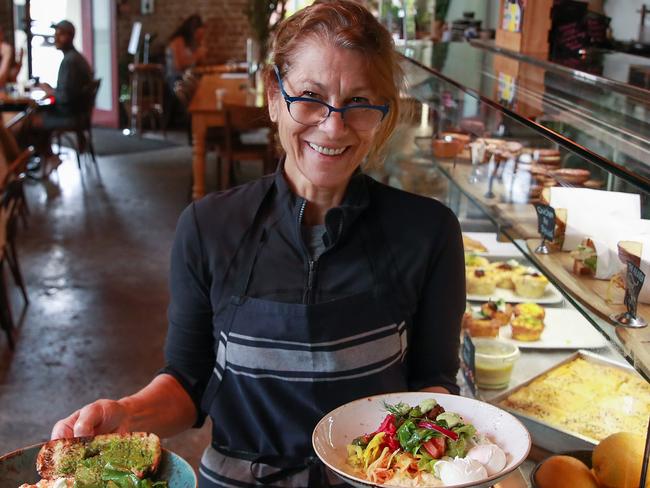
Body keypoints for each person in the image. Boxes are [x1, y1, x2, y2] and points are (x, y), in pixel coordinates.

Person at [51, 2, 465, 487]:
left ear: (383, 114)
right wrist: (127, 414)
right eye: (310, 96)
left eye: (358, 102)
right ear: (274, 96)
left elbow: (433, 386)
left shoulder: (428, 231)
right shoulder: (208, 227)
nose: (333, 126)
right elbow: (189, 383)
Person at [28, 20, 93, 174]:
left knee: (30, 122)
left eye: (60, 35)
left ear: (70, 37)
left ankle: (47, 157)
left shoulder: (69, 62)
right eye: (55, 35)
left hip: (71, 116)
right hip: (78, 114)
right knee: (36, 115)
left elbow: (65, 97)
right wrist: (52, 90)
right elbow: (70, 90)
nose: (55, 39)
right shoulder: (75, 58)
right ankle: (47, 155)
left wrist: (50, 92)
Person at [165, 14, 207, 109]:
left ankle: (198, 114)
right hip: (175, 79)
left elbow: (199, 63)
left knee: (204, 84)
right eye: (198, 35)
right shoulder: (178, 41)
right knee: (199, 87)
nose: (198, 37)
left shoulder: (190, 43)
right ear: (192, 31)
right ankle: (195, 116)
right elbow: (178, 65)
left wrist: (201, 46)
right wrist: (197, 55)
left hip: (184, 77)